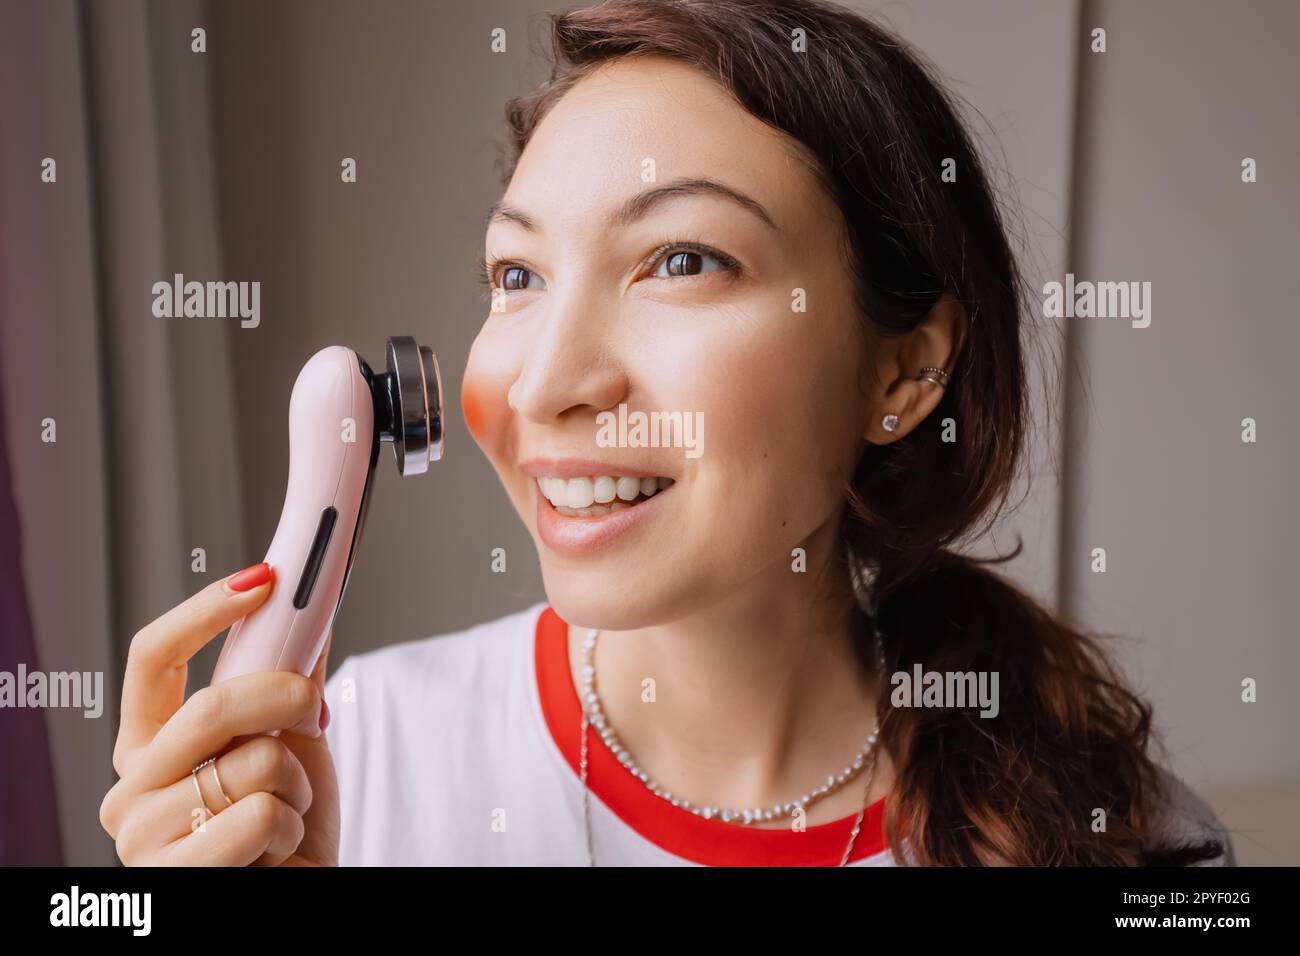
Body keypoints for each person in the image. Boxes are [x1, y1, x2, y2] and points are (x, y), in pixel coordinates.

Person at [100, 0, 1234, 866]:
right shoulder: (353, 756)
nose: (543, 381)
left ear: (905, 367)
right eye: (516, 273)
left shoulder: (1125, 830)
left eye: (682, 259)